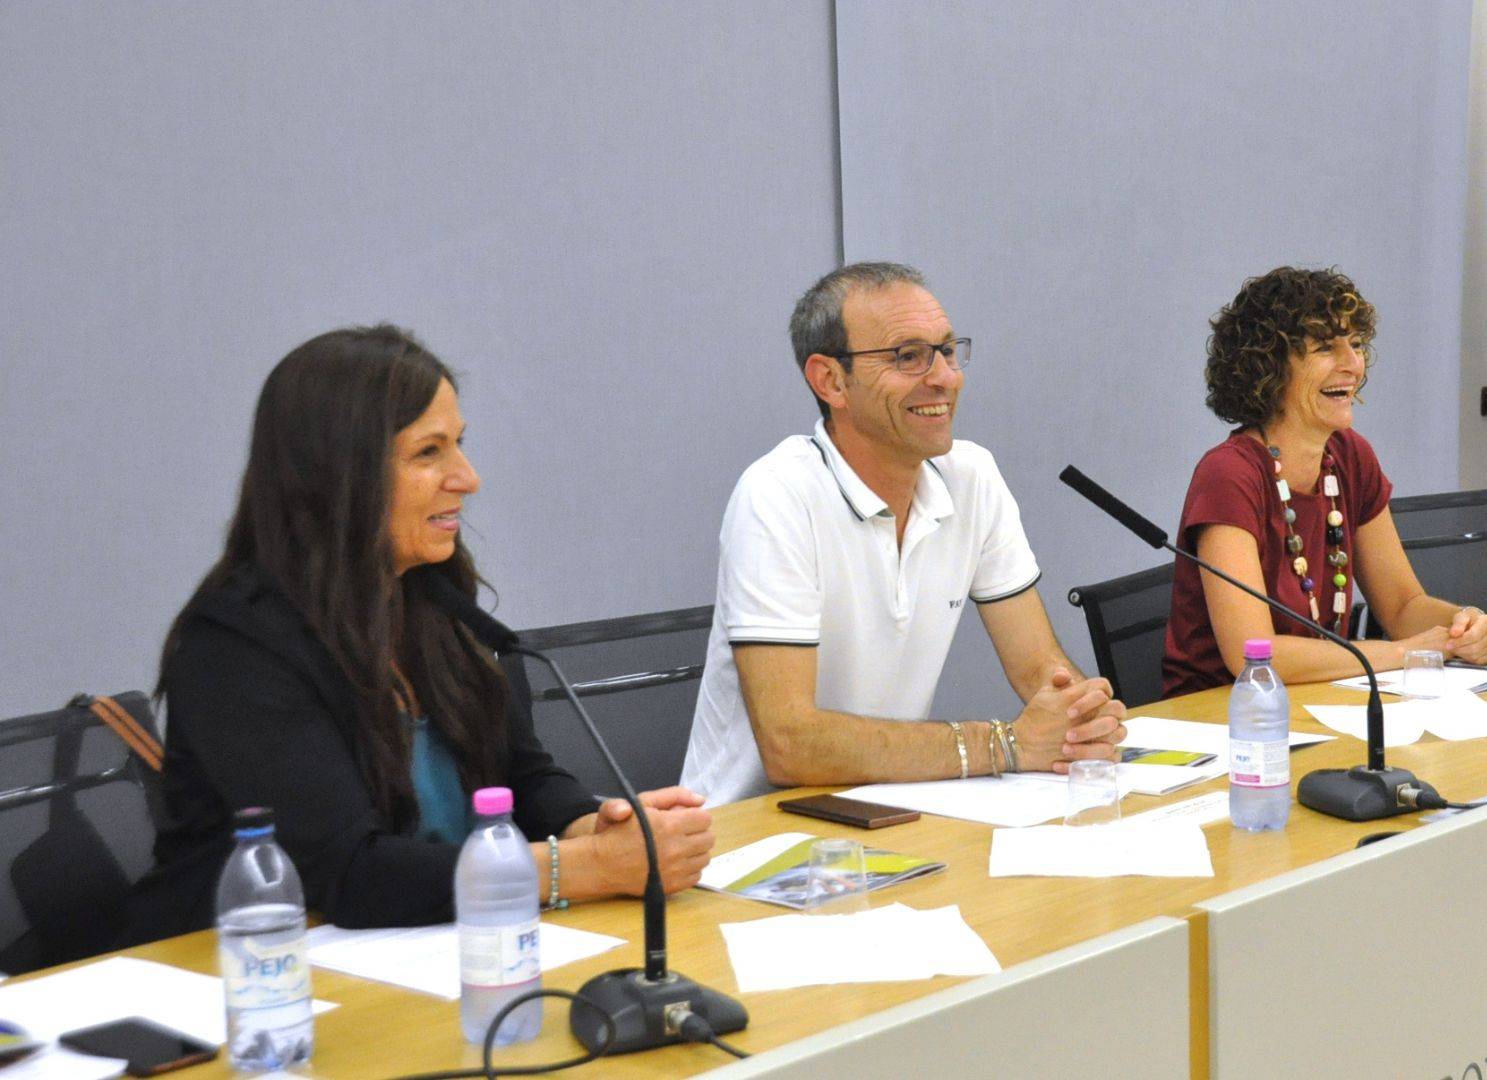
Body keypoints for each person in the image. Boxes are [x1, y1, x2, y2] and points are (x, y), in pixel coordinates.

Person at [125, 325, 713, 942]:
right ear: (339, 474)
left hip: (428, 946)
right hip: (250, 967)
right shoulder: (236, 646)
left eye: (459, 444)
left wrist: (597, 827)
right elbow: (348, 874)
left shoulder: (432, 597)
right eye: (429, 453)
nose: (467, 477)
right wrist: (584, 868)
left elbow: (522, 775)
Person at [680, 263, 1126, 805]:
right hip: (751, 828)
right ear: (831, 380)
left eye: (947, 351)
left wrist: (1080, 719)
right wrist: (1005, 744)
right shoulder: (777, 493)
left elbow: (1039, 668)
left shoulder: (971, 475)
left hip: (886, 806)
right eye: (907, 356)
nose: (945, 377)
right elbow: (790, 743)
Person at [1162, 266, 1487, 696]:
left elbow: (1403, 607)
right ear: (1269, 368)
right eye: (1325, 348)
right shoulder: (1229, 474)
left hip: (1319, 698)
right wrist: (1405, 653)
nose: (1353, 364)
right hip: (1222, 714)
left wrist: (1464, 625)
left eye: (1356, 344)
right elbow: (1253, 652)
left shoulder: (1349, 456)